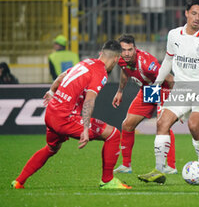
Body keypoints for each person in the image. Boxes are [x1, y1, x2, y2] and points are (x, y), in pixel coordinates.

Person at [11, 40, 132, 190]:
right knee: (113, 134)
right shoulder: (100, 73)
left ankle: (19, 181)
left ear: (101, 53)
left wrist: (51, 91)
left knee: (51, 148)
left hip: (51, 113)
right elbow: (89, 101)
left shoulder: (86, 62)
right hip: (65, 118)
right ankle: (107, 181)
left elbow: (62, 76)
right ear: (116, 59)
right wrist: (86, 130)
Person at [138, 0, 199, 184]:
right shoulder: (174, 35)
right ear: (186, 13)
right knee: (162, 123)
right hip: (181, 87)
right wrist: (157, 83)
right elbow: (168, 61)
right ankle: (159, 170)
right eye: (194, 13)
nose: (197, 18)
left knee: (194, 125)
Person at [112, 34, 177, 174]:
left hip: (163, 88)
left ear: (135, 49)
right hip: (147, 90)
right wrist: (120, 91)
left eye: (130, 49)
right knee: (127, 125)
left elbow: (170, 79)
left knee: (163, 125)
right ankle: (126, 165)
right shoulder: (121, 59)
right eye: (123, 50)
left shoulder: (147, 64)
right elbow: (125, 71)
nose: (127, 53)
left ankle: (171, 166)